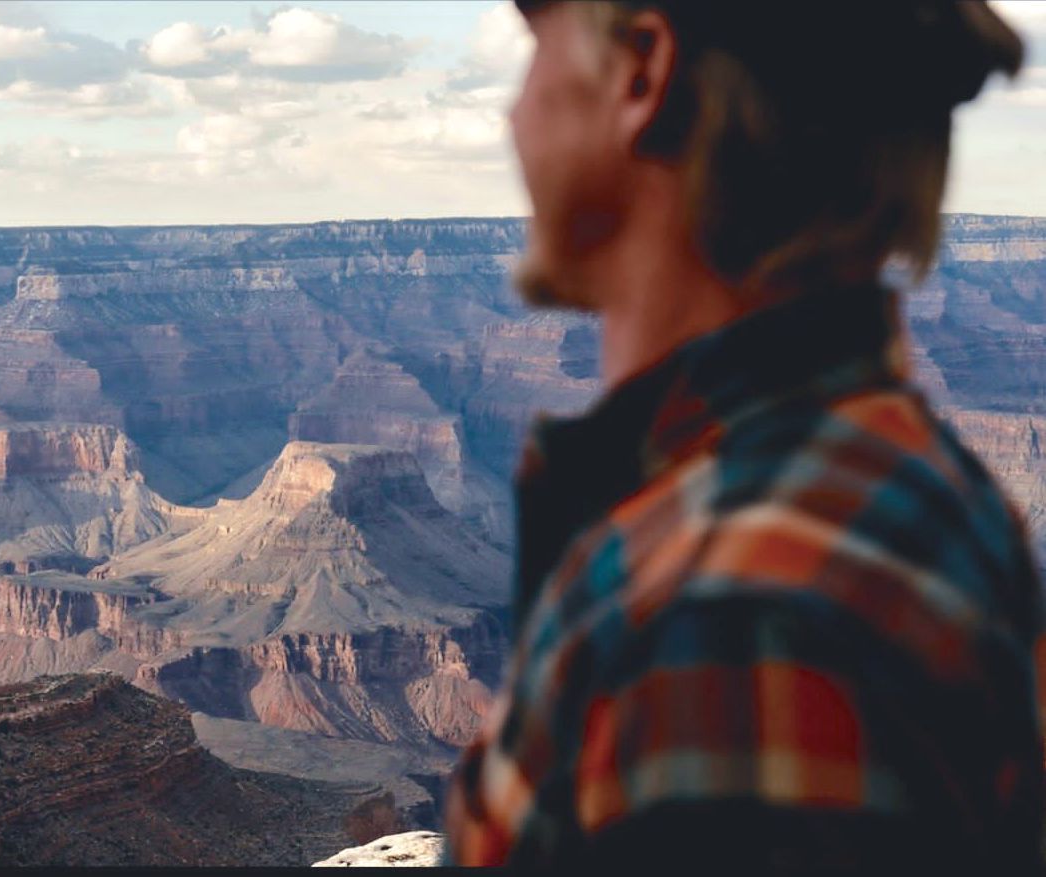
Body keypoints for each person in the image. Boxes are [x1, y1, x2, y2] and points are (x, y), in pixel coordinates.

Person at [443, 1, 1042, 871]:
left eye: (535, 43)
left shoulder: (727, 623)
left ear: (641, 73)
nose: (512, 112)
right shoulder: (875, 483)